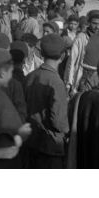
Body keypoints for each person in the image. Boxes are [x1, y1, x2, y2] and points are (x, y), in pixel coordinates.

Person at [25, 33, 69, 169]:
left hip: (31, 140)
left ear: (42, 53)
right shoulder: (56, 82)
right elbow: (59, 123)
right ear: (63, 56)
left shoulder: (31, 76)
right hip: (50, 147)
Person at [65, 10, 99, 95]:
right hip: (84, 77)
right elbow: (72, 61)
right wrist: (69, 83)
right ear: (89, 22)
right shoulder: (81, 38)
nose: (97, 27)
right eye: (94, 23)